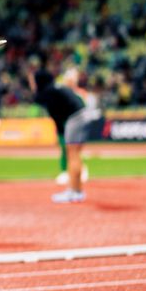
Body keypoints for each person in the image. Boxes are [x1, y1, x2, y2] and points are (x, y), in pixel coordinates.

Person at [32, 59, 101, 202]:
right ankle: (77, 190)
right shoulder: (55, 88)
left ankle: (73, 191)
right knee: (75, 155)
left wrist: (61, 133)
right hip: (82, 114)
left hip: (76, 117)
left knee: (72, 155)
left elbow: (55, 115)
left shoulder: (48, 92)